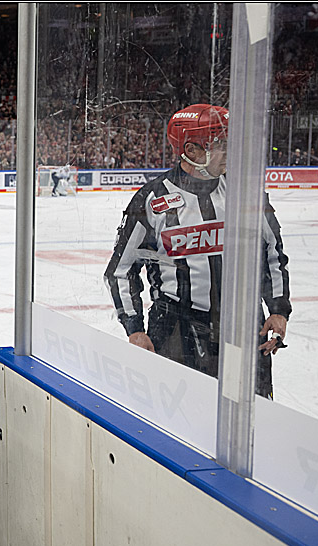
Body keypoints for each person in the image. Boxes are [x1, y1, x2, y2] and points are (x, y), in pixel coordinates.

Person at [104, 104, 292, 399]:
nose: (230, 151)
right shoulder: (152, 200)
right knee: (179, 422)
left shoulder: (246, 193)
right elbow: (120, 270)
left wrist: (279, 309)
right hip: (176, 330)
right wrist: (135, 329)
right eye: (220, 144)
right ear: (191, 150)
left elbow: (272, 253)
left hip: (244, 325)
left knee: (253, 417)